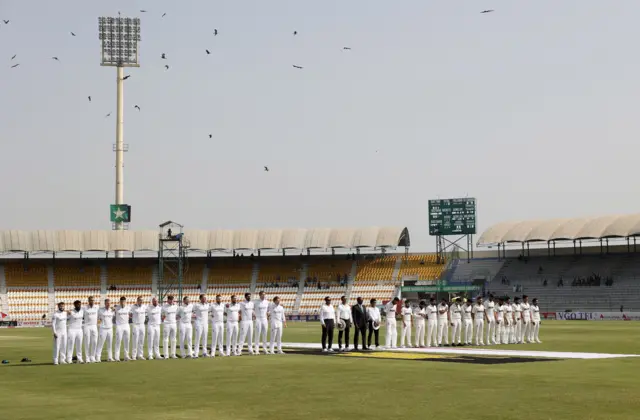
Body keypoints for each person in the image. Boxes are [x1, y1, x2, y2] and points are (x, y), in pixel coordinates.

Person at [114, 297, 131, 362]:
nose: (122, 303)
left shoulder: (128, 307)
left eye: (123, 301)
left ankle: (126, 356)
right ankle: (116, 357)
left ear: (125, 301)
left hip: (126, 325)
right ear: (120, 302)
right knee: (118, 341)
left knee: (127, 341)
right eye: (121, 301)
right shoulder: (116, 308)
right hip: (119, 326)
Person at [83, 296, 99, 363]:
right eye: (91, 300)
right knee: (87, 342)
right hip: (87, 326)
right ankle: (87, 357)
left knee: (94, 341)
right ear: (88, 301)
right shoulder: (84, 308)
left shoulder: (97, 307)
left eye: (93, 300)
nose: (92, 301)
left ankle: (92, 356)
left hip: (94, 326)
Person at [131, 296, 147, 360]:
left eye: (142, 300)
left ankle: (140, 355)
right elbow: (128, 313)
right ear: (137, 301)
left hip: (142, 325)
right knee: (135, 340)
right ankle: (134, 356)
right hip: (136, 325)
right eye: (140, 300)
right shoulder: (133, 307)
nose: (141, 301)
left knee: (141, 341)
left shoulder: (144, 307)